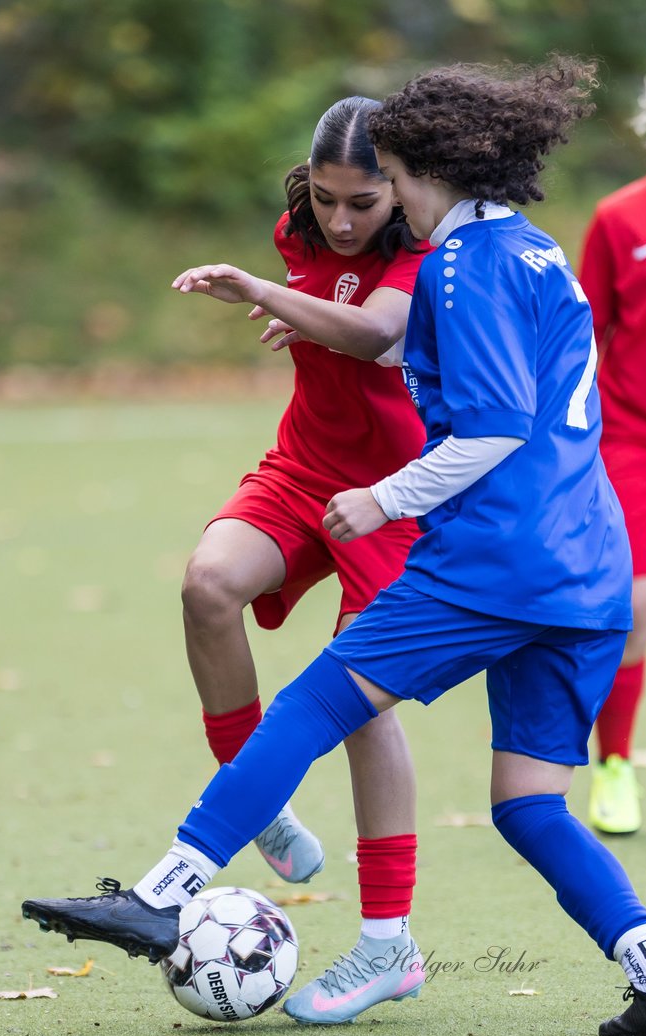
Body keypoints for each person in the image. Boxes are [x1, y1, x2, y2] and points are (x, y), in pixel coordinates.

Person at [23, 55, 646, 1036]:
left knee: (318, 701)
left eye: (391, 180)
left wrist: (383, 497)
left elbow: (495, 425)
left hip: (498, 559)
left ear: (427, 171)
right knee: (528, 805)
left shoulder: (460, 263)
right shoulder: (536, 250)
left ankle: (161, 894)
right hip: (587, 568)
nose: (386, 201)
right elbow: (431, 357)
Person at [169, 96, 428, 972]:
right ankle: (256, 795)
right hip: (306, 466)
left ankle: (388, 943)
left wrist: (268, 294)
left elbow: (379, 327)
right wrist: (305, 309)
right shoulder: (299, 234)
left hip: (395, 495)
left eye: (363, 202)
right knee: (207, 586)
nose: (341, 220)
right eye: (324, 198)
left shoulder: (429, 247)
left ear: (401, 188)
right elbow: (335, 309)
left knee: (360, 700)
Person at [579, 49, 646, 837]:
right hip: (637, 438)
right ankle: (613, 763)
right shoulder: (620, 218)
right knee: (634, 604)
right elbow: (585, 339)